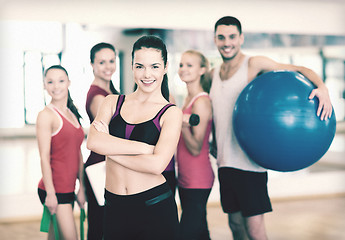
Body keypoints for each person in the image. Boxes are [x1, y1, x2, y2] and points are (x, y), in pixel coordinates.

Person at [209, 16, 333, 240]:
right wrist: (214, 142)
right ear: (215, 39)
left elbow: (299, 69)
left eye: (232, 37)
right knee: (235, 224)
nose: (227, 42)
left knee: (255, 230)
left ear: (241, 38)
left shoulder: (253, 64)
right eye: (221, 37)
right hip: (225, 163)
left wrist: (322, 87)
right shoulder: (214, 74)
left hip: (249, 165)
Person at [86, 35, 182, 240]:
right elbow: (93, 142)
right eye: (140, 66)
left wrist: (110, 150)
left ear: (165, 67)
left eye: (154, 66)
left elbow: (157, 165)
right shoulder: (111, 102)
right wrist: (144, 148)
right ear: (131, 67)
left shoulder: (171, 113)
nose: (147, 74)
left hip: (154, 206)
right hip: (114, 207)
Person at [37, 65, 86, 239]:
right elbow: (43, 157)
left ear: (68, 83)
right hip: (55, 190)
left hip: (69, 188)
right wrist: (50, 194)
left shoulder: (72, 113)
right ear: (44, 85)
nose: (56, 86)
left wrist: (82, 188)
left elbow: (77, 153)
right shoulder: (46, 115)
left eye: (61, 81)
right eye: (50, 82)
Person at [176, 50, 214, 240]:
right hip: (185, 177)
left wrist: (180, 123)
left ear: (202, 70)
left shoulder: (202, 102)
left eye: (189, 65)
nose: (183, 69)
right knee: (199, 232)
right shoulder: (186, 100)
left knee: (187, 233)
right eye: (181, 65)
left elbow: (196, 147)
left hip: (198, 178)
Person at [84, 42, 120, 240]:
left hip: (108, 164)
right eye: (102, 62)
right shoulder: (98, 96)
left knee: (107, 225)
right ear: (92, 65)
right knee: (100, 227)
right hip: (100, 166)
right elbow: (108, 137)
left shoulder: (109, 89)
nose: (108, 66)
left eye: (112, 61)